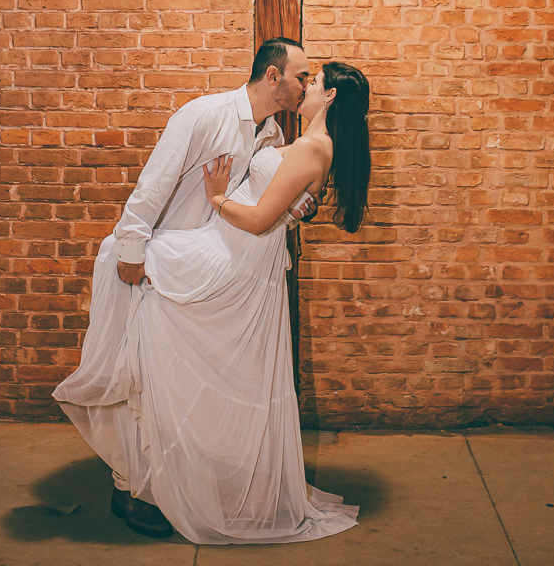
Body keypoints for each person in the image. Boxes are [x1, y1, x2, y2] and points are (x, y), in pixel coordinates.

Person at [55, 58, 371, 545]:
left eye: (314, 81)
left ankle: (150, 484)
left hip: (232, 259)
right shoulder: (217, 118)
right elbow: (157, 182)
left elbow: (264, 211)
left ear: (328, 97)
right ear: (274, 75)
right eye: (301, 76)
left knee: (161, 362)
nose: (306, 84)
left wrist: (223, 198)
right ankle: (140, 483)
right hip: (215, 251)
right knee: (147, 350)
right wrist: (133, 243)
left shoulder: (295, 141)